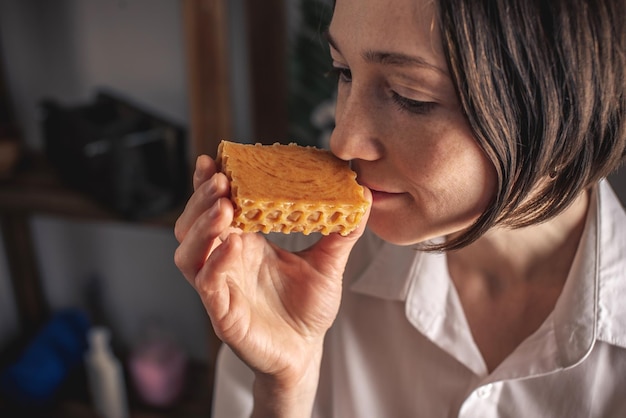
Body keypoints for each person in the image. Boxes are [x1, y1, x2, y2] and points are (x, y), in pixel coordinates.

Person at [174, 0, 626, 415]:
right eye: (343, 71)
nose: (343, 140)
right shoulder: (285, 262)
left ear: (570, 105)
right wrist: (283, 390)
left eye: (412, 97)